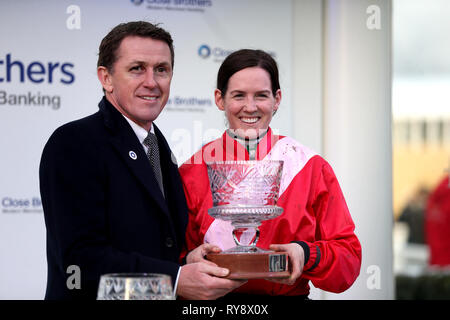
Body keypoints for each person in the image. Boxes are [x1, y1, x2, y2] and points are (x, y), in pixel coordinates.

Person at [39, 21, 243, 300]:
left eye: (162, 69)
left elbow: (153, 246)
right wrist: (175, 279)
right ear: (106, 78)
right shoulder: (74, 143)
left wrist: (187, 263)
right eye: (137, 68)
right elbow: (81, 263)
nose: (152, 82)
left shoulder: (157, 144)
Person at [179, 49, 362, 298]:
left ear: (277, 99)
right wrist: (188, 260)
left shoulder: (310, 167)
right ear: (220, 99)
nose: (250, 107)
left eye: (261, 96)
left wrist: (305, 253)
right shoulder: (192, 171)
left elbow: (348, 261)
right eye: (239, 95)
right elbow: (168, 258)